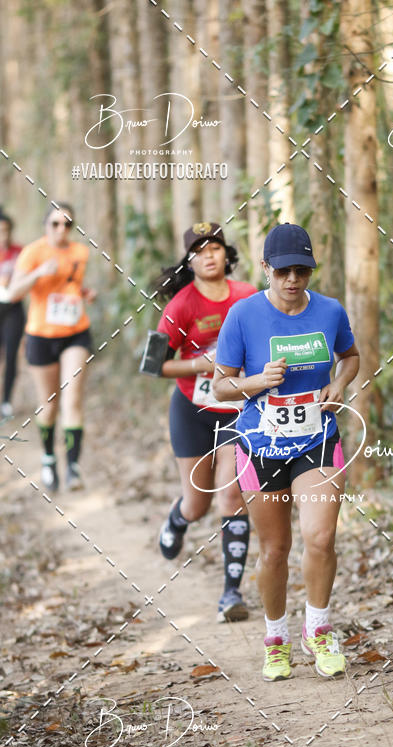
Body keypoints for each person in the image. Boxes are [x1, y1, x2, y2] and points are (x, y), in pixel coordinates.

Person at [212, 223, 360, 681]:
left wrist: (339, 384)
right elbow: (220, 385)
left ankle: (318, 628)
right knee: (275, 549)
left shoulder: (330, 311)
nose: (292, 279)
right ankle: (275, 638)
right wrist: (259, 381)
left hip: (317, 439)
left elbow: (351, 356)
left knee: (321, 537)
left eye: (302, 270)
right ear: (265, 269)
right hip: (261, 445)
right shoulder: (243, 315)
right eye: (282, 271)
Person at [155, 222, 256, 623]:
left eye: (215, 247)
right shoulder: (180, 306)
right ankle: (178, 518)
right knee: (198, 504)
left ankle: (231, 593)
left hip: (238, 411)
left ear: (226, 254)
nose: (208, 255)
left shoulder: (248, 296)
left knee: (232, 496)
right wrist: (201, 364)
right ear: (189, 261)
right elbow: (154, 364)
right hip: (191, 410)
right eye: (199, 251)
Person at [7, 203, 96, 491]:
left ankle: (73, 467)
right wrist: (38, 273)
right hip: (41, 336)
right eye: (55, 223)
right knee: (49, 404)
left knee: (72, 400)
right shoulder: (32, 252)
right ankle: (48, 458)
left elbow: (71, 286)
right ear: (46, 225)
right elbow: (13, 292)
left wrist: (85, 293)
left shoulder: (80, 252)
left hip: (75, 333)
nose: (61, 229)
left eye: (67, 224)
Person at [0, 209, 24, 418]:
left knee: (11, 355)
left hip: (13, 310)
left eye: (6, 230)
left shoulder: (20, 252)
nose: (3, 235)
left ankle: (6, 401)